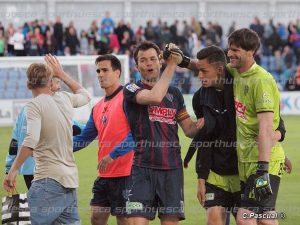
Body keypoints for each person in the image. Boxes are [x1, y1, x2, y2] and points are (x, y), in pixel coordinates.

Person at [3, 54, 91, 225]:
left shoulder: (34, 106)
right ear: (51, 81)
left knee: (19, 222)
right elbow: (85, 95)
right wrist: (63, 74)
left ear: (29, 84)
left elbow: (31, 140)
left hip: (47, 180)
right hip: (70, 181)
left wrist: (12, 170)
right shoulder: (65, 98)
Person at [123, 41, 203, 225]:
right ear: (137, 66)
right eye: (143, 60)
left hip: (172, 170)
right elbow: (154, 97)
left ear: (160, 61)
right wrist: (172, 64)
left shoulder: (175, 94)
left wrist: (204, 122)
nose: (149, 63)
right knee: (136, 222)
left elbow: (189, 130)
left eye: (153, 59)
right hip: (142, 169)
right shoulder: (131, 89)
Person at [226, 28, 285, 225]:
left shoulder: (262, 80)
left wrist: (263, 169)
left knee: (245, 217)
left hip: (260, 164)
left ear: (250, 51)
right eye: (229, 49)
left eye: (235, 50)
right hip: (246, 161)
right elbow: (207, 66)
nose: (229, 54)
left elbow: (267, 128)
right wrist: (181, 60)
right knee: (265, 218)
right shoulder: (235, 71)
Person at [73, 54, 134, 225]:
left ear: (117, 73)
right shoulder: (97, 107)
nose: (100, 74)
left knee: (124, 220)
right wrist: (56, 147)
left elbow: (136, 134)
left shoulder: (128, 99)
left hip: (127, 174)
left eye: (105, 70)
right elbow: (84, 138)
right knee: (97, 218)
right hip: (105, 174)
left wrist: (112, 155)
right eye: (98, 70)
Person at [4, 77, 83, 190]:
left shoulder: (25, 109)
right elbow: (76, 128)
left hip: (28, 170)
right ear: (48, 84)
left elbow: (14, 143)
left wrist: (9, 170)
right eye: (57, 83)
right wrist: (99, 128)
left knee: (37, 205)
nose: (59, 87)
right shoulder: (51, 108)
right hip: (48, 169)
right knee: (51, 205)